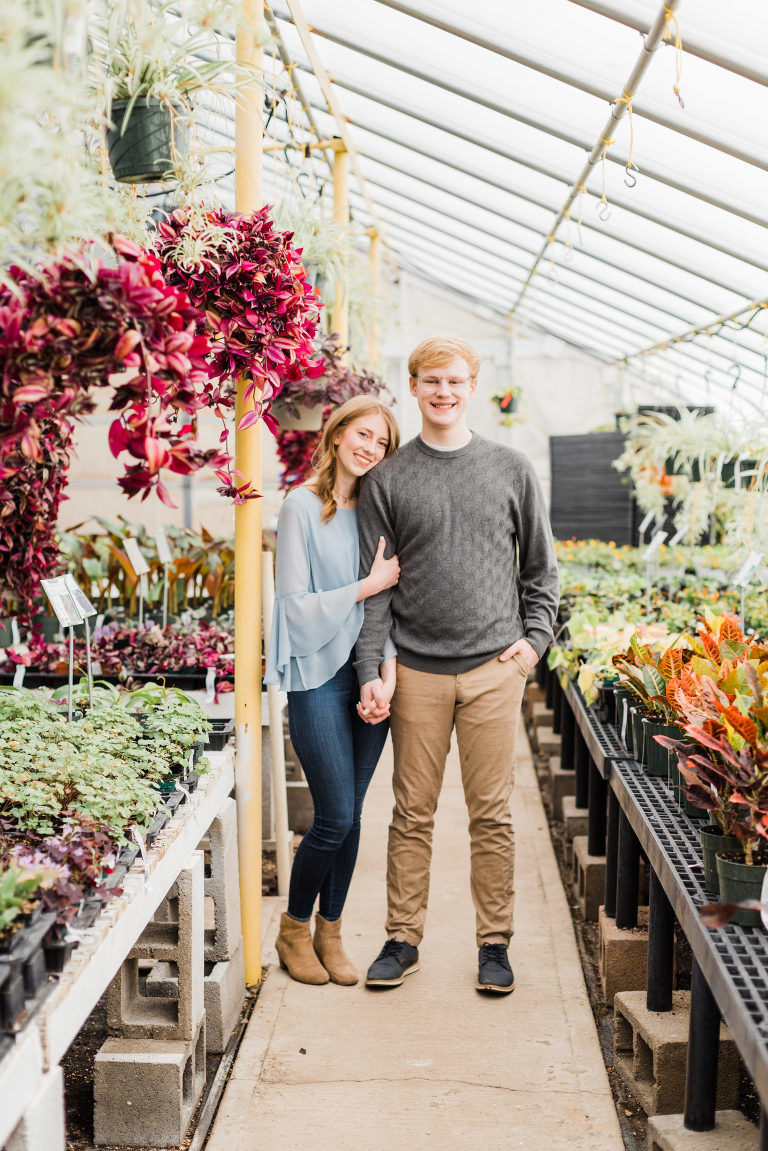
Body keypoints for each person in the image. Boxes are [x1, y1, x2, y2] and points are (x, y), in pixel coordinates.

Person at [354, 334, 559, 994]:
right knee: (411, 811)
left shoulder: (510, 468)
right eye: (430, 380)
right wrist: (370, 670)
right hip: (415, 671)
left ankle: (493, 944)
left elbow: (541, 571)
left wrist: (533, 645)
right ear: (412, 387)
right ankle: (401, 937)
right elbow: (376, 588)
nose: (443, 391)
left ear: (472, 387)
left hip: (494, 670)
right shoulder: (386, 480)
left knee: (491, 813)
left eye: (455, 380)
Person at [265, 395, 401, 986]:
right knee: (333, 815)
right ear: (339, 432)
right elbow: (293, 609)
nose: (370, 448)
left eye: (382, 443)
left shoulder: (379, 512)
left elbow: (391, 605)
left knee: (355, 818)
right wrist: (364, 584)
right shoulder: (301, 505)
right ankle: (294, 927)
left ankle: (332, 929)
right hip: (317, 674)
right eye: (363, 434)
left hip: (368, 674)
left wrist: (387, 674)